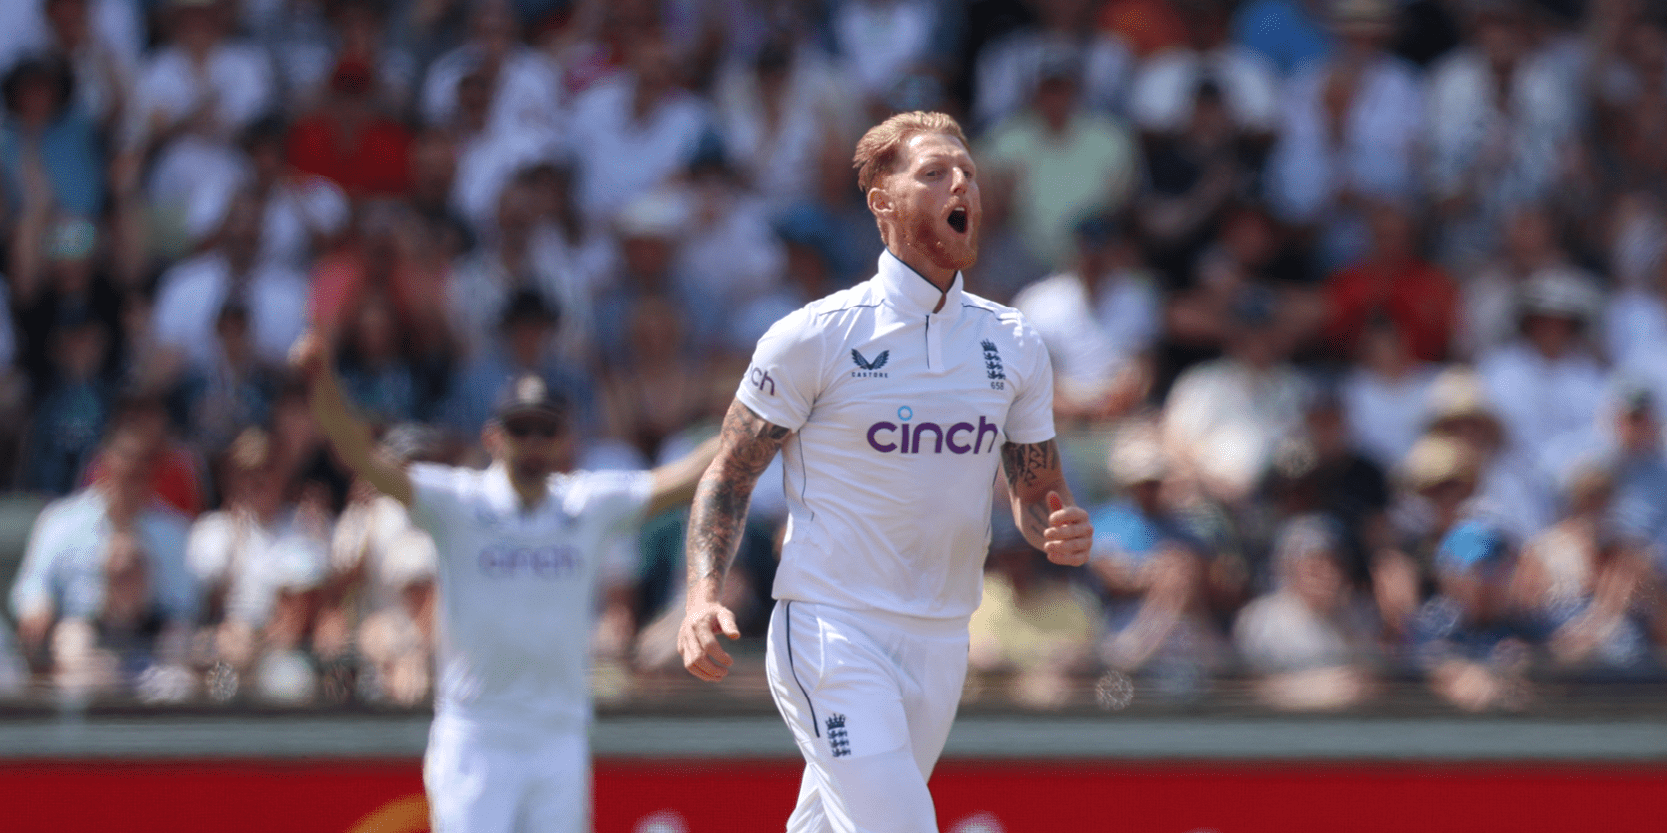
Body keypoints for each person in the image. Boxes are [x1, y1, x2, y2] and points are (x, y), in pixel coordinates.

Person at [676, 111, 1094, 833]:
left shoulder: (1014, 340)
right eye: (933, 172)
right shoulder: (814, 335)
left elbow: (1034, 492)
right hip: (831, 628)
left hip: (941, 633)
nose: (960, 181)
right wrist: (700, 597)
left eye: (966, 171)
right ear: (882, 203)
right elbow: (729, 474)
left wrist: (1054, 526)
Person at [291, 335, 716, 833]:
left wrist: (764, 408)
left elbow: (684, 477)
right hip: (477, 736)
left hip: (559, 736)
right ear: (493, 436)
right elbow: (363, 459)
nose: (533, 442)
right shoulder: (459, 503)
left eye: (545, 429)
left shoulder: (586, 504)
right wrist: (323, 384)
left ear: (563, 438)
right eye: (520, 428)